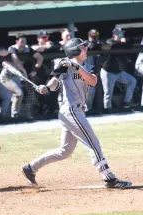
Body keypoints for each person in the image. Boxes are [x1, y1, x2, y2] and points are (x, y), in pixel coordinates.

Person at [21, 38, 132, 189]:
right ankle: (109, 177)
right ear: (75, 50)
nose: (86, 49)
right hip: (71, 110)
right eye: (83, 47)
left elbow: (93, 81)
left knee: (65, 151)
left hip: (77, 111)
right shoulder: (64, 64)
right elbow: (54, 82)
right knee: (93, 143)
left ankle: (31, 168)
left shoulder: (87, 66)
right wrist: (46, 88)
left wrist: (77, 67)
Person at [0, 34, 43, 118]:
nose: (23, 43)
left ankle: (15, 116)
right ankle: (1, 118)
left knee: (18, 95)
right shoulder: (12, 48)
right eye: (21, 41)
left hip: (17, 77)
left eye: (25, 41)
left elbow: (40, 58)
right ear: (17, 41)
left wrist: (35, 70)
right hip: (6, 77)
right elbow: (16, 61)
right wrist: (24, 72)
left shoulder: (27, 49)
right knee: (12, 96)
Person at [100, 28, 137, 109]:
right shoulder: (109, 41)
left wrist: (125, 41)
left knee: (132, 81)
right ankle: (107, 112)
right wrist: (123, 42)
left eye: (122, 34)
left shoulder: (123, 42)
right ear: (114, 36)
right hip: (108, 72)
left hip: (119, 72)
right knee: (108, 94)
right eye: (119, 34)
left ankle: (126, 102)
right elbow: (112, 46)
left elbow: (130, 44)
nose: (121, 36)